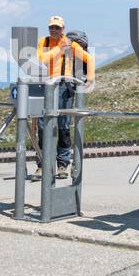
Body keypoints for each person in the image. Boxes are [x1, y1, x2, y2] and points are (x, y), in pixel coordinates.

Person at [36, 15, 95, 180]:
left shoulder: (71, 44)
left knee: (63, 126)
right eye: (51, 27)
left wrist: (89, 78)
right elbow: (41, 59)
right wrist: (60, 49)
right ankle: (42, 165)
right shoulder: (44, 42)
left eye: (57, 27)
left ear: (63, 29)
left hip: (64, 86)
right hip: (45, 85)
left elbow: (88, 58)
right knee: (42, 126)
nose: (54, 30)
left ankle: (63, 164)